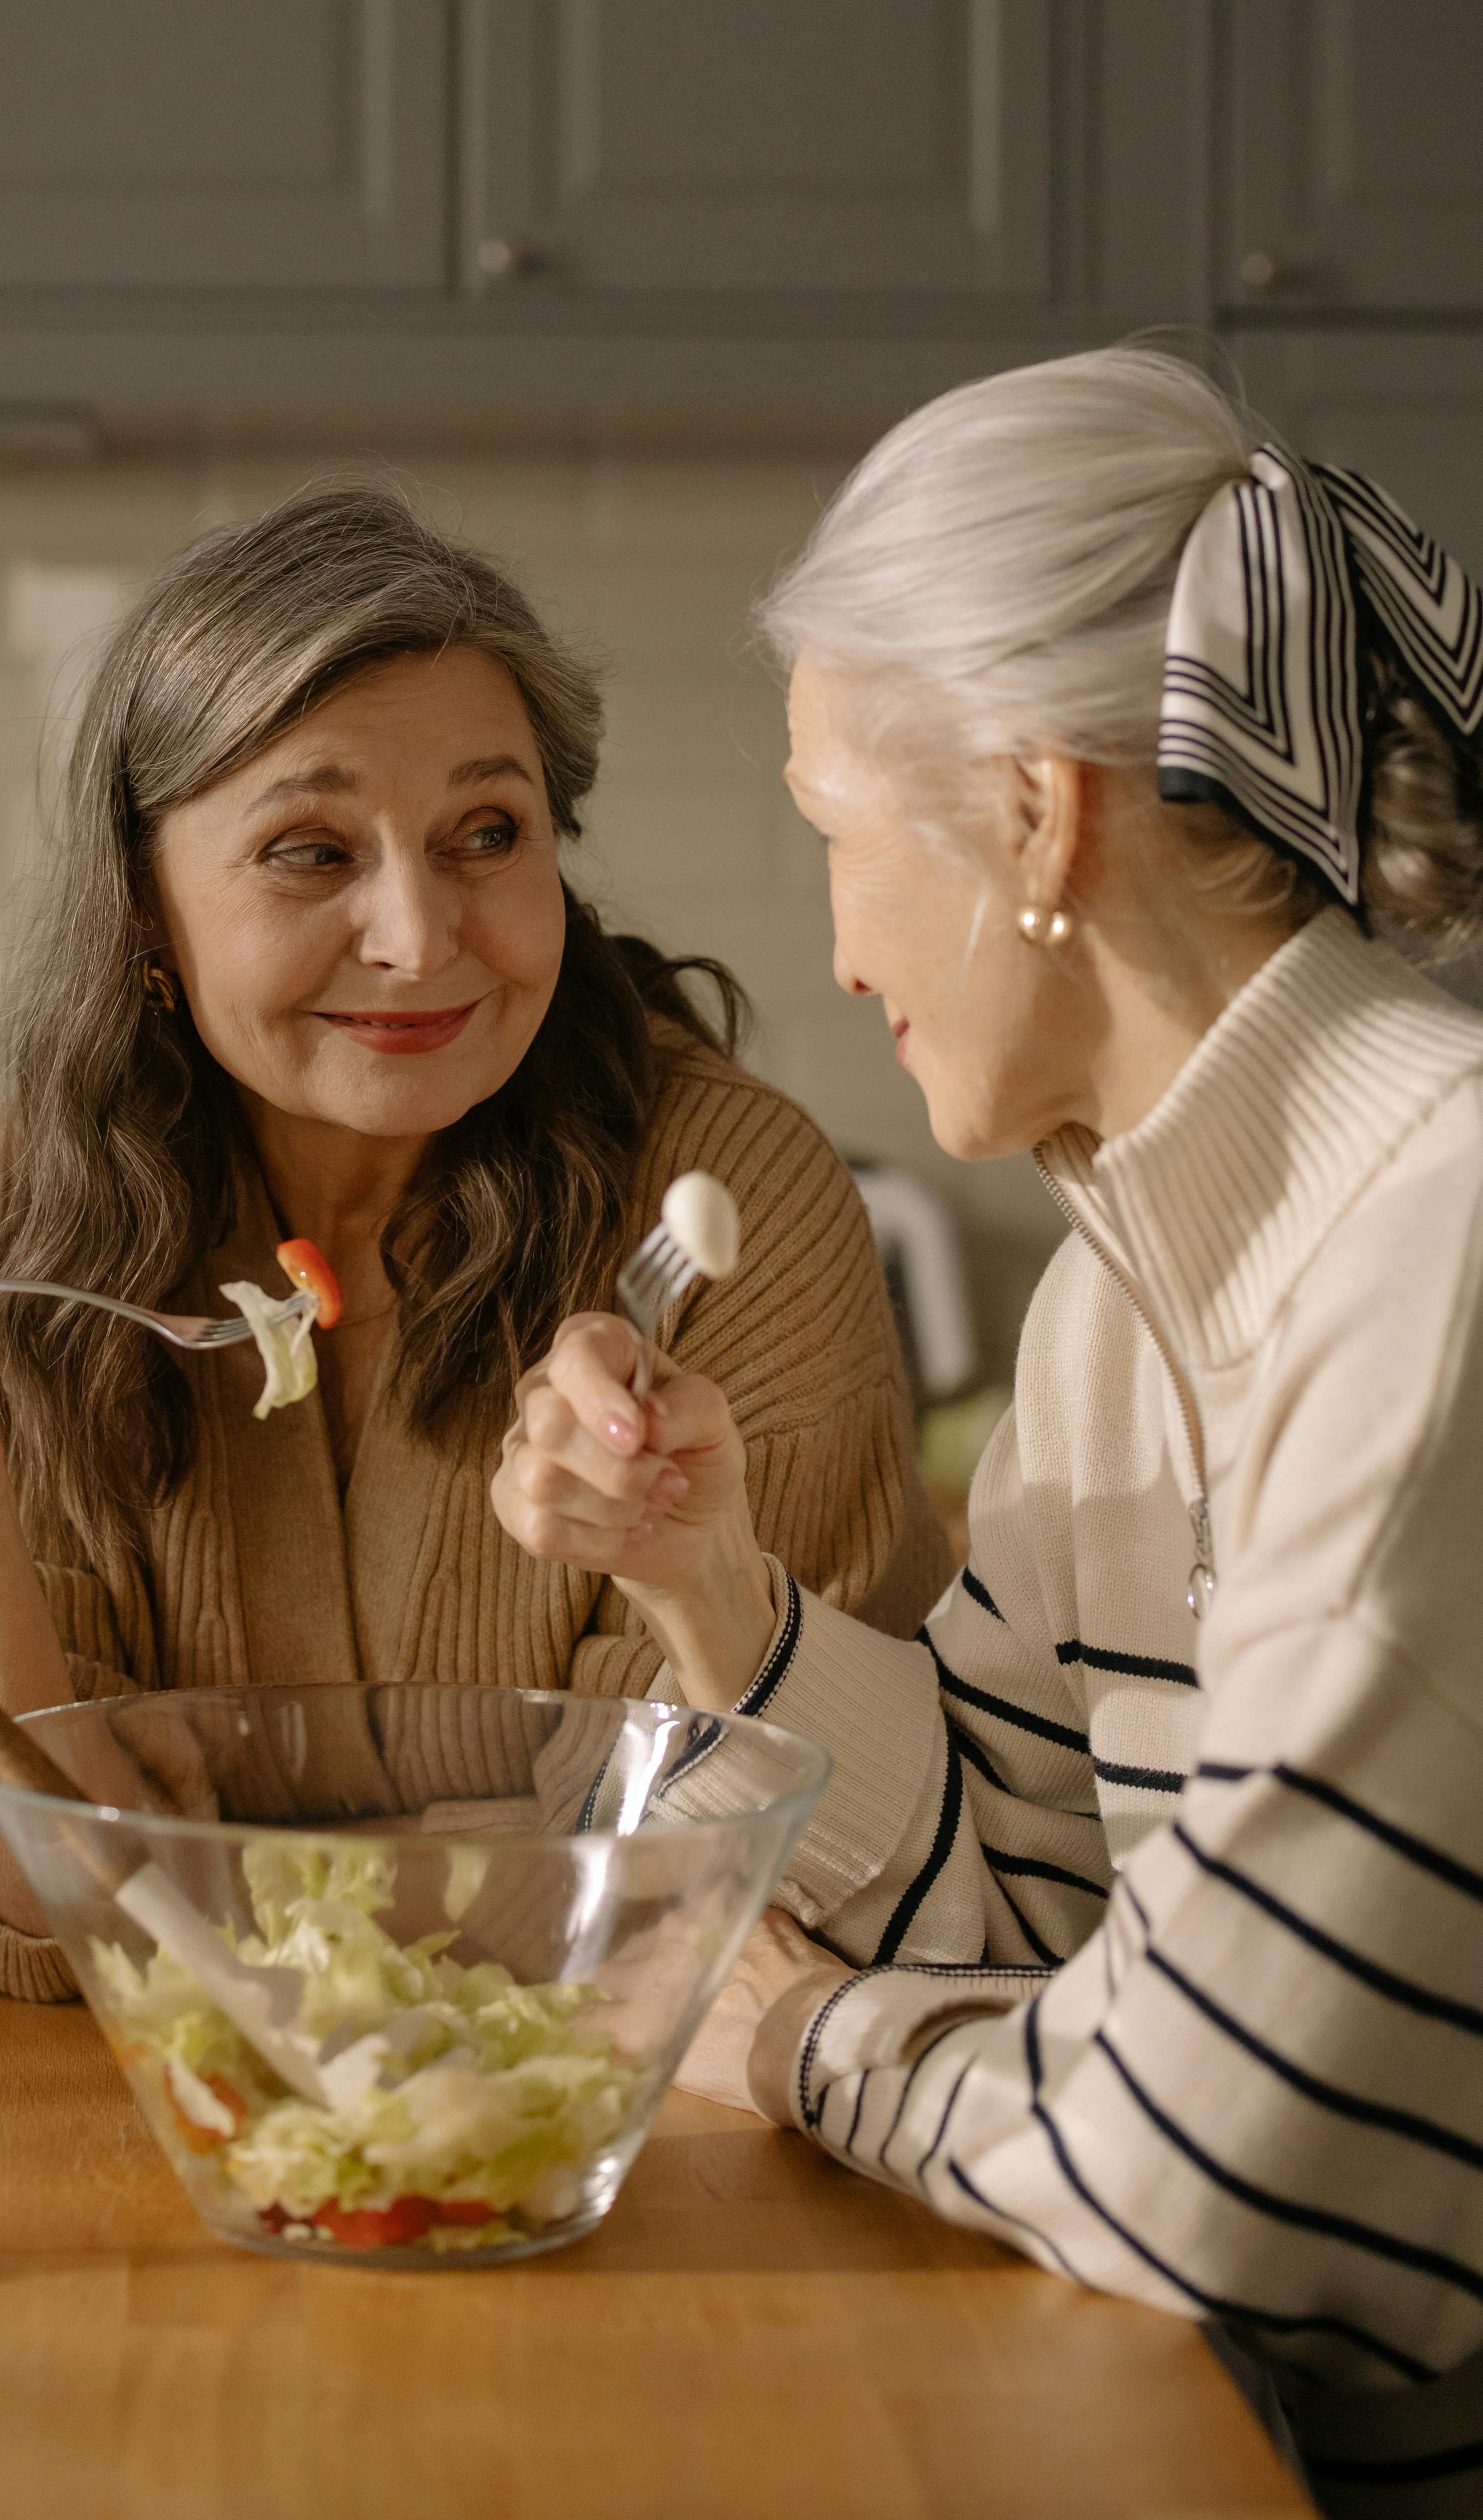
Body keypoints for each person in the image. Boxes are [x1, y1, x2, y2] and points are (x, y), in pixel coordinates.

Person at [494, 348, 1483, 2516]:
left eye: (840, 837)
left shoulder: (1438, 1270)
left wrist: (788, 2038)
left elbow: (1200, 2173)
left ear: (1036, 817)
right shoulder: (1127, 1293)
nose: (836, 948)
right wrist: (705, 1576)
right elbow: (1030, 1900)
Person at [0, 489, 950, 2000]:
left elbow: (736, 1846)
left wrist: (179, 1844)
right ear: (140, 902)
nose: (417, 933)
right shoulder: (15, 1237)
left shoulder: (720, 1207)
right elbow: (24, 1908)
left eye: (487, 834)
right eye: (311, 853)